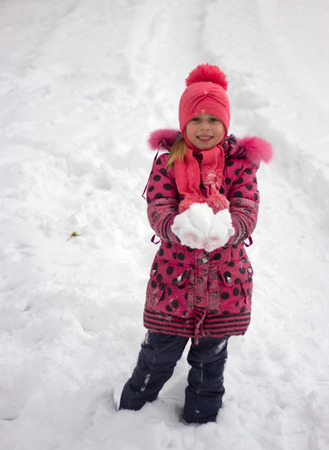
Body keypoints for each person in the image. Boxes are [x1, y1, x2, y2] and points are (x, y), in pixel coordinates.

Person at [119, 63, 273, 424]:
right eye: (197, 119)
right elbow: (157, 204)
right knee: (157, 353)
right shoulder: (167, 162)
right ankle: (129, 413)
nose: (205, 127)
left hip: (225, 283)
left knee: (210, 361)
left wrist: (229, 229)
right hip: (174, 282)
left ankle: (202, 421)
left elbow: (248, 207)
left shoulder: (240, 168)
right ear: (184, 123)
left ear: (226, 123)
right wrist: (174, 227)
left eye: (213, 120)